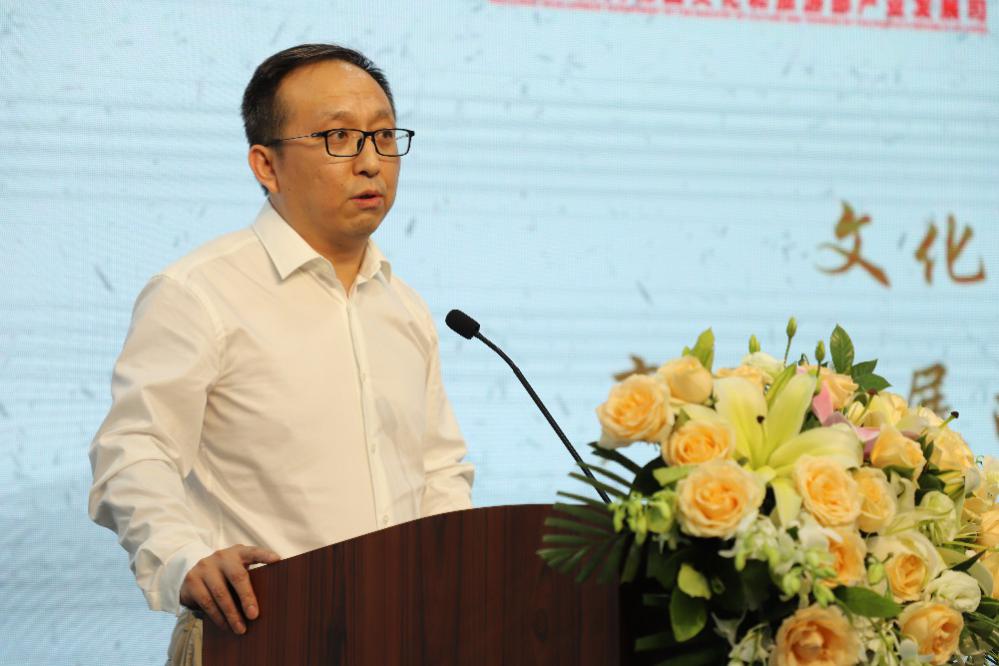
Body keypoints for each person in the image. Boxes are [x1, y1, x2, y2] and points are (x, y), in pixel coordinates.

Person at [88, 43, 474, 664]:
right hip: (259, 636)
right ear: (265, 165)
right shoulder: (198, 293)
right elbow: (133, 450)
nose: (370, 162)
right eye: (339, 138)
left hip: (405, 635)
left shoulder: (404, 307)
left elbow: (437, 470)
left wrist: (457, 576)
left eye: (383, 137)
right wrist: (183, 557)